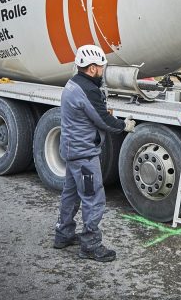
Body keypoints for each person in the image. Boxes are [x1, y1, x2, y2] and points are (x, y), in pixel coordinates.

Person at [54, 44, 136, 262]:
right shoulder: (88, 90)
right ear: (91, 68)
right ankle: (90, 246)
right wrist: (123, 125)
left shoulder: (72, 83)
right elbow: (103, 120)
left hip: (72, 151)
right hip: (84, 156)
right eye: (100, 67)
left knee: (70, 195)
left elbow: (90, 113)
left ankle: (63, 235)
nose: (102, 70)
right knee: (93, 199)